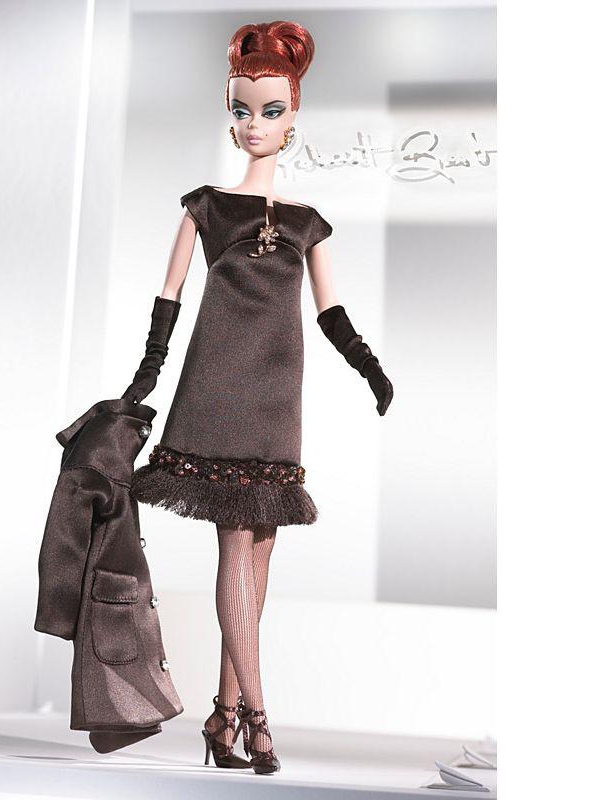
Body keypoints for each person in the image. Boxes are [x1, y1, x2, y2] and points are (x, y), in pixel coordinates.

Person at [123, 20, 393, 776]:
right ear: (228, 112)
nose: (254, 124)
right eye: (243, 109)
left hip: (278, 394)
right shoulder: (206, 207)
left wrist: (370, 369)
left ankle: (222, 716)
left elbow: (330, 313)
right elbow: (168, 297)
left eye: (270, 110)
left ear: (293, 116)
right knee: (236, 540)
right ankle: (260, 718)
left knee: (262, 544)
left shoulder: (307, 223)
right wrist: (147, 375)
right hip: (219, 386)